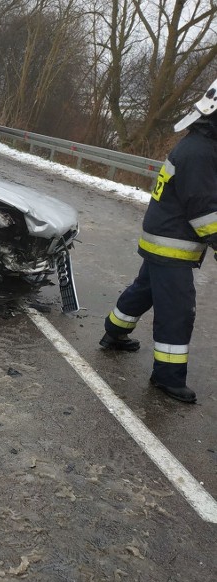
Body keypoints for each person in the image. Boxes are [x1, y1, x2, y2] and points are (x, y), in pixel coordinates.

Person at [99, 78, 217, 403]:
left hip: (161, 237)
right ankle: (167, 377)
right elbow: (204, 209)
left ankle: (114, 333)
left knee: (144, 290)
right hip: (171, 244)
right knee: (178, 311)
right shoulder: (202, 152)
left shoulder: (197, 145)